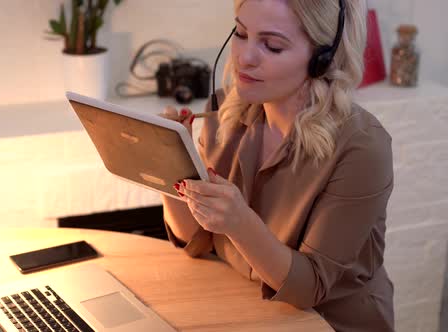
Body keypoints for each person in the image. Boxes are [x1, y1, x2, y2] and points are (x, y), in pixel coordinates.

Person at [161, 0, 395, 331]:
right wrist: (170, 159)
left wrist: (239, 221)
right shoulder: (225, 111)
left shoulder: (362, 148)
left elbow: (308, 288)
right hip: (245, 312)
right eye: (241, 33)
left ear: (322, 58)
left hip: (329, 324)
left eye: (272, 45)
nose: (244, 57)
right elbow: (196, 241)